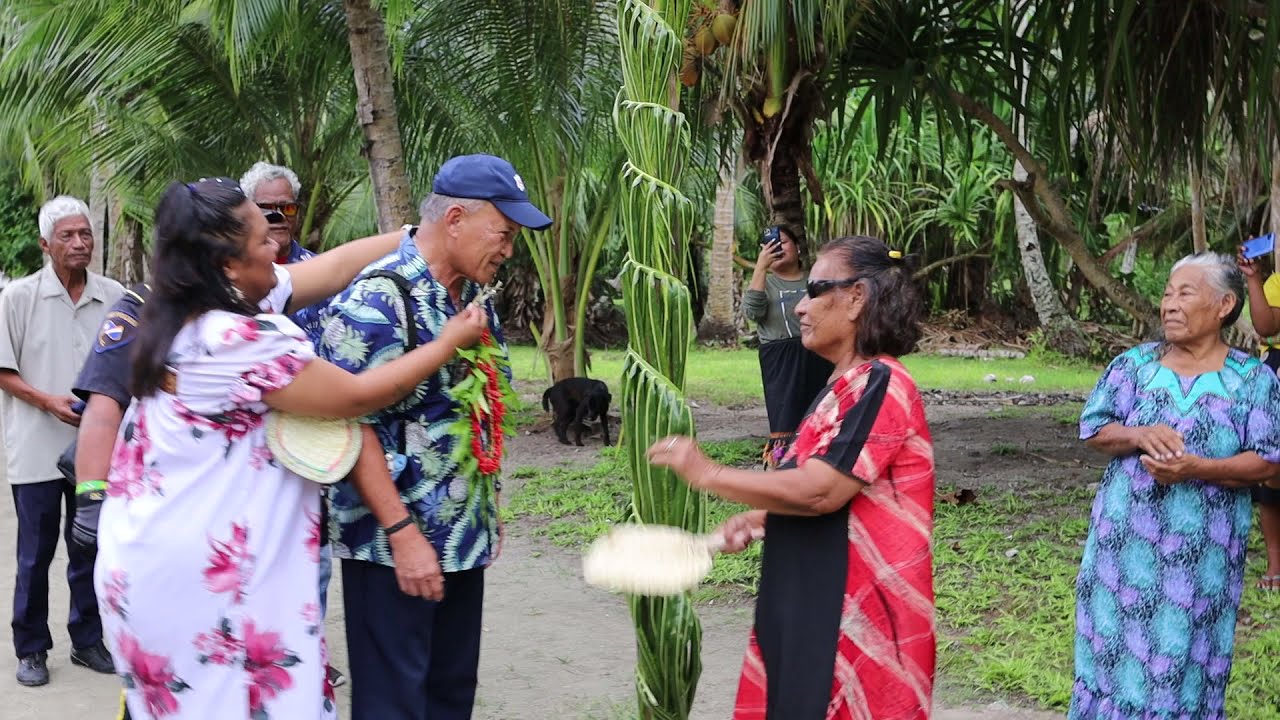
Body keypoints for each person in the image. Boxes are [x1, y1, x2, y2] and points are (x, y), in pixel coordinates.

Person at [93, 176, 491, 720]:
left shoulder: (182, 307)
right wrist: (446, 343)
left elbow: (332, 268)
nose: (277, 247)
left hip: (153, 552)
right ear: (228, 265)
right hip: (205, 578)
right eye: (263, 239)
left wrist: (417, 236)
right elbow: (356, 396)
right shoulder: (236, 339)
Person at [649, 236, 935, 720]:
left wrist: (708, 473)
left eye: (815, 290)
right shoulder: (842, 386)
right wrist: (765, 516)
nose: (801, 306)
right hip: (810, 601)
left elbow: (823, 490)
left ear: (857, 298)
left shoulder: (882, 383)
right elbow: (839, 489)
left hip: (850, 618)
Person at [320, 154, 551, 720]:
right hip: (391, 545)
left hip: (459, 539)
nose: (509, 249)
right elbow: (350, 423)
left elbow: (478, 407)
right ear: (454, 219)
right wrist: (402, 534)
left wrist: (487, 507)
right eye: (503, 233)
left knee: (450, 695)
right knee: (393, 703)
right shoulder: (378, 299)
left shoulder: (470, 300)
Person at [1070, 252, 1280, 719]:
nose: (1169, 305)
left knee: (1182, 664)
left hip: (1201, 563)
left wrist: (1197, 467)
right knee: (1111, 662)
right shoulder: (1134, 365)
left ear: (1224, 305)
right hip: (1121, 555)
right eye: (1167, 294)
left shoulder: (1253, 380)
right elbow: (1094, 428)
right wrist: (1138, 434)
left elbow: (1269, 462)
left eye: (1185, 293)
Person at [0, 195, 122, 686]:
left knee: (90, 547)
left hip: (95, 454)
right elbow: (2, 370)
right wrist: (47, 401)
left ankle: (87, 640)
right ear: (45, 244)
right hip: (35, 449)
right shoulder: (18, 298)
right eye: (67, 235)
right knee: (35, 553)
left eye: (85, 233)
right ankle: (31, 648)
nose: (79, 243)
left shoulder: (114, 296)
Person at [239, 161, 344, 687]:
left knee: (312, 557)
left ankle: (307, 658)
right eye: (267, 208)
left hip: (311, 442)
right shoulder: (230, 280)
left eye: (287, 207)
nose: (278, 216)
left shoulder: (321, 273)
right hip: (248, 449)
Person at [744, 225, 835, 467]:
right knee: (785, 418)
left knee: (822, 410)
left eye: (782, 242)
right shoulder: (765, 283)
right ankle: (785, 467)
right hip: (780, 360)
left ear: (797, 247)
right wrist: (760, 267)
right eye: (769, 244)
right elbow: (752, 312)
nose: (777, 248)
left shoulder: (814, 281)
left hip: (818, 355)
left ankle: (822, 464)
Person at [1238, 245, 1280, 592]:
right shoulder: (1277, 283)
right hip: (1277, 376)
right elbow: (1266, 326)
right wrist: (1254, 279)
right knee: (1273, 472)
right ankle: (1275, 564)